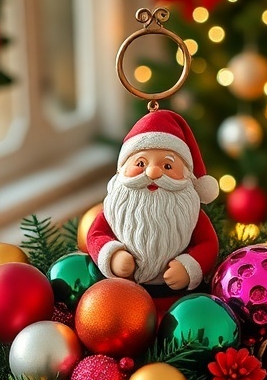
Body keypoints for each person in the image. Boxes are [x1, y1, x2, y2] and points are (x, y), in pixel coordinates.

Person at [86, 110, 220, 301]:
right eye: (140, 163)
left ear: (187, 176)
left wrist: (189, 267)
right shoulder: (113, 210)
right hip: (121, 299)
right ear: (121, 170)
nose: (153, 172)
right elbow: (95, 235)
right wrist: (112, 256)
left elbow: (208, 243)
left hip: (175, 300)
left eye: (167, 166)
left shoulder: (190, 214)